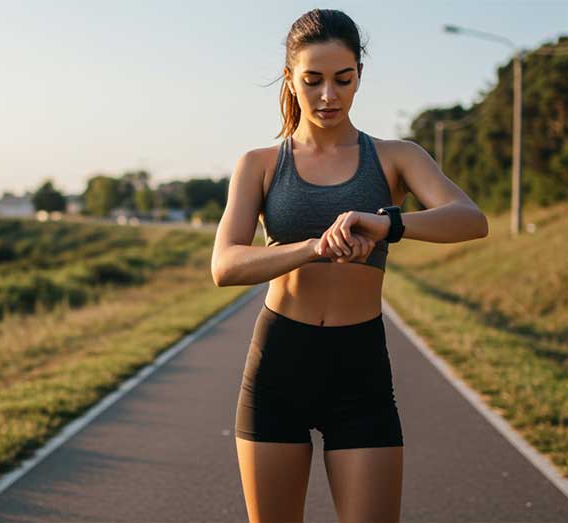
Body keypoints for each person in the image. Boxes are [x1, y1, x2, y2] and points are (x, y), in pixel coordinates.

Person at [210, 8, 489, 523]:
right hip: (279, 365)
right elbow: (225, 265)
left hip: (360, 368)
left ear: (359, 75)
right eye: (312, 80)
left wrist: (389, 224)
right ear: (290, 78)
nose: (328, 96)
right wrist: (313, 248)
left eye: (343, 79)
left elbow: (471, 220)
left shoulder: (396, 157)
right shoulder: (260, 165)